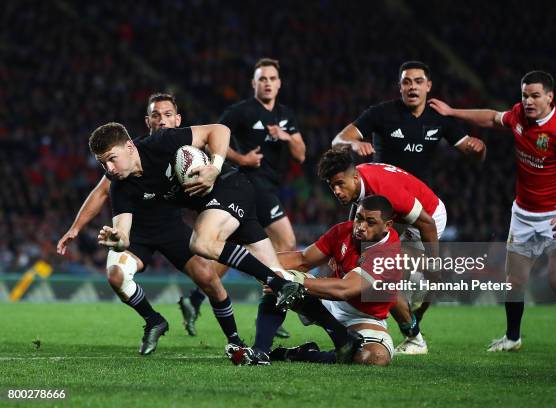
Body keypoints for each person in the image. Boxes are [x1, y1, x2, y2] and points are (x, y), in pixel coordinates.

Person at [89, 122, 361, 365]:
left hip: (229, 186)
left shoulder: (160, 143)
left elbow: (219, 130)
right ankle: (342, 336)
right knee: (278, 276)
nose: (108, 169)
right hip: (219, 206)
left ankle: (277, 289)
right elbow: (123, 233)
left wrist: (213, 168)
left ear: (129, 146)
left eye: (112, 159)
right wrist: (118, 242)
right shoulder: (120, 186)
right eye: (103, 164)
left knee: (202, 243)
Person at [428, 70, 556, 357]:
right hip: (523, 214)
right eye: (524, 95)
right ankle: (512, 337)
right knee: (514, 281)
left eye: (535, 96)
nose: (528, 101)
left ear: (549, 97)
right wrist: (452, 111)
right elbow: (492, 117)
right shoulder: (520, 115)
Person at [332, 60, 486, 354]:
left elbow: (473, 151)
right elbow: (340, 138)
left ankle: (414, 327)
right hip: (380, 204)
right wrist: (353, 145)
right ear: (399, 86)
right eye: (406, 82)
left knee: (410, 276)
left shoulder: (438, 119)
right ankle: (409, 329)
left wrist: (479, 150)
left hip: (419, 210)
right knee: (378, 272)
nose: (412, 86)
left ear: (429, 86)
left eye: (418, 81)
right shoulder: (382, 113)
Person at [57, 93, 231, 353]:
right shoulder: (122, 168)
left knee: (209, 277)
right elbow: (102, 192)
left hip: (171, 227)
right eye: (156, 115)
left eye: (168, 115)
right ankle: (154, 320)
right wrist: (76, 228)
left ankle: (234, 338)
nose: (162, 121)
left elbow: (218, 133)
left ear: (178, 119)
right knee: (116, 275)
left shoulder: (179, 148)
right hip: (136, 230)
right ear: (147, 120)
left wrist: (215, 168)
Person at [317, 146, 447, 354]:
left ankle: (415, 337)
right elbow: (358, 210)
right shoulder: (358, 182)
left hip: (426, 219)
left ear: (355, 178)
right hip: (395, 219)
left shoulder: (384, 190)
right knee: (374, 274)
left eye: (340, 185)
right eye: (332, 186)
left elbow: (427, 223)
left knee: (383, 277)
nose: (337, 192)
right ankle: (414, 315)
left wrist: (433, 264)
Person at [216, 57, 306, 339]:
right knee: (287, 242)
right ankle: (275, 304)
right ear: (253, 83)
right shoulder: (241, 111)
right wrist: (241, 157)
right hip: (251, 185)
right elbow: (214, 138)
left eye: (272, 79)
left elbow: (301, 155)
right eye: (262, 79)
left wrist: (287, 137)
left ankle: (196, 296)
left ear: (279, 84)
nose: (267, 83)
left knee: (235, 245)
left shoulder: (285, 115)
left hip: (270, 184)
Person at [270, 195, 401, 366]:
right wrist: (257, 262)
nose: (361, 227)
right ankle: (261, 345)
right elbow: (303, 260)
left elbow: (345, 290)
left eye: (370, 222)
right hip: (328, 301)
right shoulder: (343, 231)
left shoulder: (389, 252)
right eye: (358, 218)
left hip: (363, 317)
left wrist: (290, 280)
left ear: (387, 226)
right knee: (273, 274)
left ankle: (306, 354)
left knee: (375, 358)